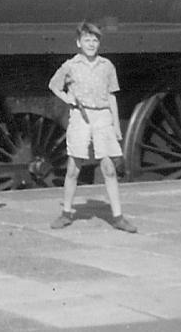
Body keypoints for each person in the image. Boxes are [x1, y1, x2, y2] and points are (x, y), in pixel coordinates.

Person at [48, 21, 136, 233]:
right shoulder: (71, 65)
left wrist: (115, 125)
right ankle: (67, 213)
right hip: (80, 117)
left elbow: (111, 96)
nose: (91, 44)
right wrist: (67, 98)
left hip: (102, 117)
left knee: (109, 168)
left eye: (95, 40)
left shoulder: (107, 66)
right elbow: (53, 84)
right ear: (79, 43)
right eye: (87, 40)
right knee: (73, 168)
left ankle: (118, 217)